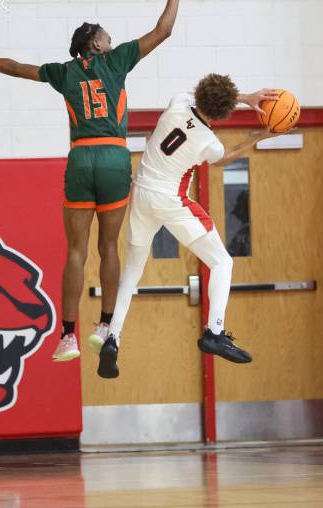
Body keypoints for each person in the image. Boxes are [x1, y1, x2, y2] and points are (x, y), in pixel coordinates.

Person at [0, 0, 188, 362]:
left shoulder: (63, 72)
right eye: (108, 36)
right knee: (108, 247)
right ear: (96, 44)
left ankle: (68, 336)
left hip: (80, 159)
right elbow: (164, 29)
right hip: (113, 157)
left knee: (76, 251)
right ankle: (107, 326)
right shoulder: (117, 61)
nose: (112, 40)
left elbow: (12, 66)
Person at [97, 75, 279, 379]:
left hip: (140, 194)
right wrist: (258, 136)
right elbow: (225, 158)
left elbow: (203, 97)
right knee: (222, 261)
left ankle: (113, 338)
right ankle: (215, 332)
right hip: (170, 199)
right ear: (224, 112)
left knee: (132, 271)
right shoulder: (208, 142)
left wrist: (245, 97)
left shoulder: (178, 102)